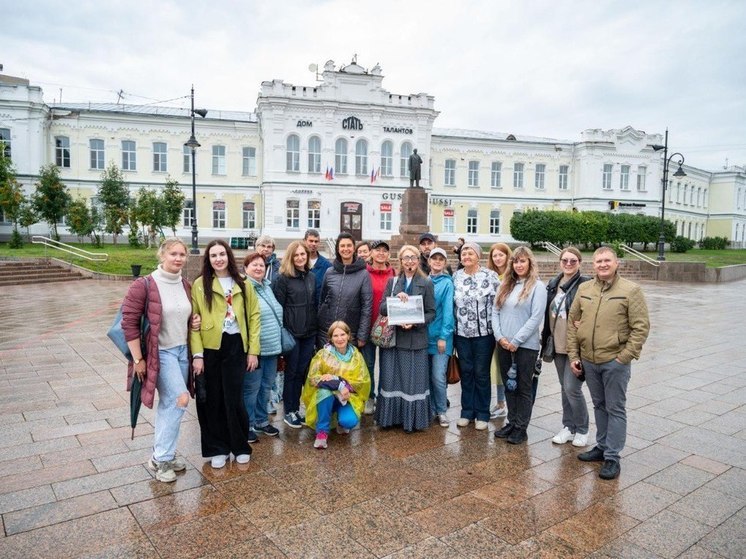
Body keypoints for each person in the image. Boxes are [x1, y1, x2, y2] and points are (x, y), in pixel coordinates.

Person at [568, 246, 650, 480]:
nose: (602, 264)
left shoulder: (630, 290)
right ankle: (602, 447)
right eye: (598, 261)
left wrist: (624, 357)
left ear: (616, 263)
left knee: (615, 407)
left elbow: (641, 327)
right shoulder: (584, 288)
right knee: (599, 405)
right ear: (592, 265)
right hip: (589, 361)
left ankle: (612, 456)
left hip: (614, 362)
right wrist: (575, 356)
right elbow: (574, 322)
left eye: (607, 260)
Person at [122, 238, 193, 483]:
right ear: (161, 255)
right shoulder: (144, 285)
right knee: (179, 399)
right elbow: (128, 324)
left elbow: (186, 315)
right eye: (173, 253)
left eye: (182, 254)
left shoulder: (185, 284)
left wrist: (194, 321)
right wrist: (138, 359)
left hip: (183, 351)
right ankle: (160, 458)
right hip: (160, 352)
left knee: (171, 405)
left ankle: (166, 454)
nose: (178, 258)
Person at [191, 240, 260, 468]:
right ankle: (217, 447)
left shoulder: (243, 283)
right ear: (208, 260)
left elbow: (253, 318)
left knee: (234, 398)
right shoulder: (201, 284)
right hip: (210, 346)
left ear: (229, 256)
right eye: (213, 255)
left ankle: (239, 444)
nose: (218, 259)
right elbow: (194, 321)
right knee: (212, 400)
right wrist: (198, 355)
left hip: (236, 346)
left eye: (222, 254)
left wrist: (253, 351)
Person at [376, 245, 436, 432]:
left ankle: (412, 421)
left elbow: (431, 312)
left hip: (416, 341)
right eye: (406, 258)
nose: (409, 261)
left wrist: (416, 323)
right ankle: (391, 419)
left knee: (413, 383)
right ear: (400, 261)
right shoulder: (393, 282)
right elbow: (382, 309)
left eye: (413, 258)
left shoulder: (426, 283)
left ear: (418, 260)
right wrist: (394, 298)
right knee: (392, 380)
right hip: (394, 341)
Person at [492, 246, 547, 445]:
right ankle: (512, 421)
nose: (519, 265)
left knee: (523, 387)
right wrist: (500, 337)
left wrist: (516, 341)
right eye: (516, 261)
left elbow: (536, 317)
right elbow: (495, 312)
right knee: (509, 385)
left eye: (523, 261)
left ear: (530, 263)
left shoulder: (537, 287)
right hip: (504, 344)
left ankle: (521, 427)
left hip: (525, 346)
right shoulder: (506, 284)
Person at [542, 247, 591, 448]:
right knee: (564, 388)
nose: (568, 264)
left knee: (572, 388)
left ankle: (582, 428)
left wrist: (585, 322)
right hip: (557, 344)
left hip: (575, 346)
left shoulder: (586, 284)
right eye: (565, 260)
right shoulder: (554, 283)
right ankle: (568, 426)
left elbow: (594, 309)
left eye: (573, 261)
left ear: (579, 262)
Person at [453, 241, 500, 431]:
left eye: (470, 253)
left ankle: (482, 413)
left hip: (484, 335)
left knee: (481, 373)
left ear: (478, 256)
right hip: (462, 334)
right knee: (467, 372)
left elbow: (499, 304)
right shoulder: (455, 276)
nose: (466, 257)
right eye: (464, 254)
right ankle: (467, 411)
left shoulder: (490, 276)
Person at [302, 321, 371, 449]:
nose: (340, 339)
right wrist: (338, 384)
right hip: (326, 398)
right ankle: (322, 432)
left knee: (349, 421)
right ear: (330, 338)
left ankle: (341, 421)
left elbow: (362, 382)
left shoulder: (356, 355)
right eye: (335, 336)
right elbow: (313, 378)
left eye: (342, 334)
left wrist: (336, 380)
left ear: (349, 336)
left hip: (347, 398)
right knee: (324, 392)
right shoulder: (323, 355)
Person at [272, 240, 318, 429]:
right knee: (291, 373)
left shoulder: (311, 277)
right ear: (291, 257)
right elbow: (278, 307)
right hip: (292, 333)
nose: (300, 258)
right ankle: (288, 411)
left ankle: (295, 409)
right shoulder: (282, 278)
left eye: (303, 254)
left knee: (301, 372)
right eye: (297, 255)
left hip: (309, 332)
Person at [243, 252, 282, 442]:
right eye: (254, 265)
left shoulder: (267, 286)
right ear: (245, 269)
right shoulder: (244, 288)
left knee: (266, 387)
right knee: (251, 389)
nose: (259, 268)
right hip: (255, 349)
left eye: (261, 265)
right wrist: (251, 349)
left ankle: (261, 420)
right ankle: (247, 424)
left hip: (272, 347)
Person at [317, 232, 373, 348]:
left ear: (354, 249)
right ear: (338, 249)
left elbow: (367, 307)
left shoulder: (363, 274)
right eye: (342, 246)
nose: (345, 249)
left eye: (349, 245)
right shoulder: (329, 272)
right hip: (328, 332)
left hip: (349, 333)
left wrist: (362, 335)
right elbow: (322, 301)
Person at [362, 240, 396, 414]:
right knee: (368, 364)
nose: (381, 253)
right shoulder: (364, 273)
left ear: (388, 254)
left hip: (388, 328)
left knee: (387, 365)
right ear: (371, 253)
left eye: (385, 250)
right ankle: (369, 397)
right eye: (378, 250)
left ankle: (384, 397)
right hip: (368, 326)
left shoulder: (394, 273)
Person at [427, 248, 454, 427]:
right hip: (422, 336)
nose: (437, 261)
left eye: (441, 259)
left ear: (445, 263)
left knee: (438, 376)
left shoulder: (447, 283)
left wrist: (443, 336)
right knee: (426, 376)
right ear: (429, 261)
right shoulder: (424, 280)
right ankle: (430, 408)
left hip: (440, 339)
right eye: (434, 258)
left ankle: (441, 410)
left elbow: (448, 311)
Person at [486, 242, 513, 419]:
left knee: (507, 368)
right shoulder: (489, 275)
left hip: (508, 327)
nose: (497, 258)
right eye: (494, 256)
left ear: (507, 256)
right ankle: (500, 402)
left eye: (500, 255)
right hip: (492, 327)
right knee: (495, 368)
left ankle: (508, 403)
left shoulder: (512, 276)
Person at [304, 228, 331, 305]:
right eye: (311, 241)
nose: (313, 244)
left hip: (319, 309)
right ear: (305, 241)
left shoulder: (327, 265)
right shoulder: (299, 262)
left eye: (316, 241)